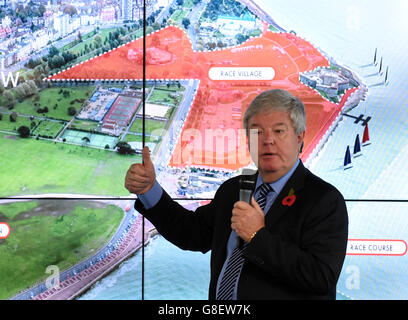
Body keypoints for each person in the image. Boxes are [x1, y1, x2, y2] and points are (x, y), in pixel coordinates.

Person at [124, 89, 348, 300]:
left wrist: (257, 237)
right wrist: (149, 190)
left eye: (279, 131)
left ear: (300, 138)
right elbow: (191, 233)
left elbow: (321, 278)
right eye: (257, 132)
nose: (267, 140)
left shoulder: (325, 200)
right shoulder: (233, 189)